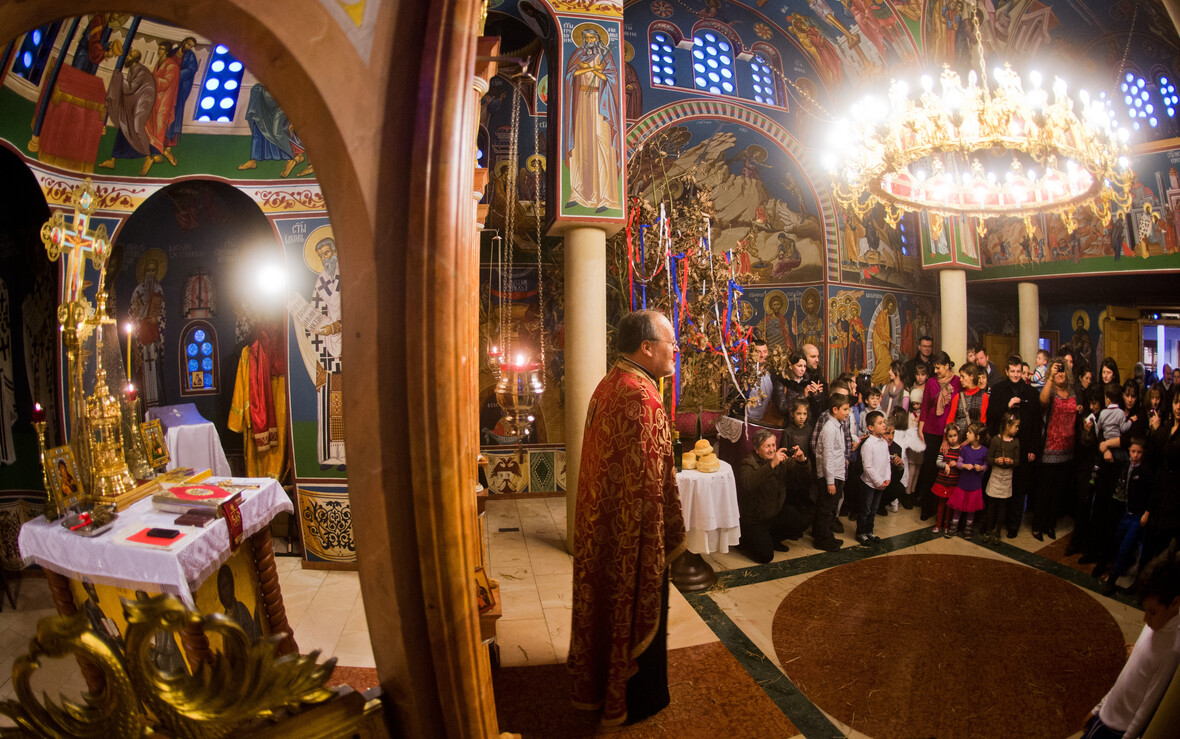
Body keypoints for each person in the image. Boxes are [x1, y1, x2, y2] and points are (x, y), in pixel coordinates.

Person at [569, 309, 686, 726]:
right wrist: (654, 539)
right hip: (632, 536)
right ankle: (637, 697)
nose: (676, 349)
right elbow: (652, 482)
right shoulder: (642, 395)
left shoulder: (610, 382)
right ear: (647, 347)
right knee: (636, 606)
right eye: (670, 341)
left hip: (607, 525)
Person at [1082, 548, 1180, 739]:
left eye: (1152, 611)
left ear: (1175, 603)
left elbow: (1147, 708)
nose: (1145, 619)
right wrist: (1098, 708)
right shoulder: (1157, 621)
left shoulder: (1172, 651)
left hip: (1117, 730)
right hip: (1106, 715)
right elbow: (1126, 677)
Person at [290, 236, 346, 469]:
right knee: (325, 402)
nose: (325, 259)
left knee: (343, 402)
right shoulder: (320, 281)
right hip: (325, 350)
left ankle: (345, 455)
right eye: (321, 256)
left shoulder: (348, 278)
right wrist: (305, 317)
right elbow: (316, 312)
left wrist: (335, 327)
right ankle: (328, 456)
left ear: (335, 251)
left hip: (346, 349)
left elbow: (355, 311)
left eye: (327, 253)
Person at [563, 28, 622, 212]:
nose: (589, 40)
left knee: (602, 146)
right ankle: (579, 193)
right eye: (586, 37)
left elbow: (612, 79)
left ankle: (606, 197)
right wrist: (588, 68)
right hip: (581, 103)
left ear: (598, 39)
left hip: (601, 105)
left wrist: (597, 72)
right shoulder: (577, 54)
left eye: (592, 37)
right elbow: (570, 76)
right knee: (582, 147)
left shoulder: (606, 55)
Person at [986, 355, 1041, 538]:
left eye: (1019, 371)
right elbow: (991, 414)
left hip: (1023, 446)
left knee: (1019, 487)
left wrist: (1033, 448)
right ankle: (993, 522)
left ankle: (1013, 525)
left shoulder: (1031, 393)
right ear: (1007, 371)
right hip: (1002, 445)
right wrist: (1006, 406)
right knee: (998, 485)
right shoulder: (998, 389)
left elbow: (1036, 424)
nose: (1016, 375)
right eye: (1013, 371)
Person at [736, 429, 808, 563]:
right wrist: (771, 465)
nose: (772, 449)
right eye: (767, 446)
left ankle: (772, 539)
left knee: (802, 520)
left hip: (774, 514)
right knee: (765, 556)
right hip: (754, 520)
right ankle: (744, 540)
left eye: (773, 445)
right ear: (757, 449)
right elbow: (749, 483)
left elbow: (804, 477)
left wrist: (802, 461)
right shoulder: (748, 463)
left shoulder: (780, 458)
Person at [1098, 438, 1152, 595]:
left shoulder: (1145, 471)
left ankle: (1112, 580)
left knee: (1125, 545)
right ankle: (1119, 566)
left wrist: (1146, 512)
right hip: (1125, 512)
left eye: (1139, 452)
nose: (1135, 455)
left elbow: (1152, 494)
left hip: (1137, 515)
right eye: (1133, 451)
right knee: (1118, 539)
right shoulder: (1126, 466)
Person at [1034, 358, 1079, 541]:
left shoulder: (1074, 392)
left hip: (1067, 450)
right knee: (1044, 491)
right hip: (1049, 450)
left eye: (1063, 370)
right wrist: (1050, 377)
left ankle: (1049, 525)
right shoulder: (1050, 390)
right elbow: (1042, 401)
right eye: (1057, 370)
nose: (1060, 373)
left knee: (1057, 492)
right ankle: (1037, 526)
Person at [917, 351, 961, 520]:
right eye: (934, 368)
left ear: (947, 366)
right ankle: (927, 508)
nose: (936, 371)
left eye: (939, 368)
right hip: (931, 430)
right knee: (929, 469)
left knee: (946, 471)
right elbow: (926, 405)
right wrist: (921, 428)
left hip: (949, 433)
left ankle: (943, 508)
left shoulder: (957, 382)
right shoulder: (931, 382)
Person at [100, 49, 156, 171]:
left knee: (137, 127)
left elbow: (130, 88)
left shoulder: (141, 71)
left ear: (135, 59)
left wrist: (119, 78)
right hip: (134, 101)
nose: (126, 58)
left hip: (143, 103)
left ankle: (148, 157)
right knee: (123, 124)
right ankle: (113, 160)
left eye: (129, 56)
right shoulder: (133, 70)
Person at [812, 393, 849, 552]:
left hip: (837, 474)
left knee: (831, 508)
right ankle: (822, 539)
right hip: (830, 477)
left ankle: (826, 534)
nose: (848, 412)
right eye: (845, 409)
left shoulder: (837, 426)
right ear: (835, 409)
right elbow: (827, 456)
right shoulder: (829, 429)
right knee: (826, 509)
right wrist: (830, 481)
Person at [983, 412, 1020, 543]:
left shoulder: (1016, 442)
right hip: (996, 474)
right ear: (1007, 425)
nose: (1017, 429)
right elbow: (989, 458)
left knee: (1002, 506)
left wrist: (1011, 462)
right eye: (1015, 426)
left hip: (1007, 476)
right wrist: (996, 460)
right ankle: (988, 530)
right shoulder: (995, 440)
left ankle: (998, 532)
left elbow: (1017, 461)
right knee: (992, 504)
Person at [947, 421, 988, 538]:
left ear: (977, 437)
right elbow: (958, 463)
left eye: (969, 432)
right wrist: (965, 466)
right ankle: (953, 527)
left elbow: (986, 466)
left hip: (975, 484)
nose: (966, 434)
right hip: (963, 483)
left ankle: (968, 529)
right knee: (958, 507)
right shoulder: (965, 449)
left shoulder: (984, 451)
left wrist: (981, 468)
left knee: (971, 509)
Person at [856, 410, 890, 545]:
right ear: (871, 427)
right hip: (869, 484)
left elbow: (887, 461)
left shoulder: (883, 442)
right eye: (880, 423)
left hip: (881, 483)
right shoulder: (868, 444)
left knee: (874, 510)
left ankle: (869, 531)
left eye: (884, 422)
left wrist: (887, 478)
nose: (884, 425)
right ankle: (861, 533)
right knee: (865, 510)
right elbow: (868, 467)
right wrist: (878, 481)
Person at [932, 424, 963, 535]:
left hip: (953, 482)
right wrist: (945, 465)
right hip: (942, 481)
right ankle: (938, 525)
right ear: (946, 437)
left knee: (950, 506)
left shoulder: (961, 450)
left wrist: (957, 464)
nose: (953, 438)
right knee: (941, 504)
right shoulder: (944, 448)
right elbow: (937, 462)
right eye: (950, 436)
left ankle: (946, 526)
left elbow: (962, 464)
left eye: (955, 435)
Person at [801, 343, 827, 422]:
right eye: (813, 357)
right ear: (803, 358)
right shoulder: (799, 377)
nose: (817, 360)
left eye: (817, 356)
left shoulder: (818, 374)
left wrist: (818, 395)